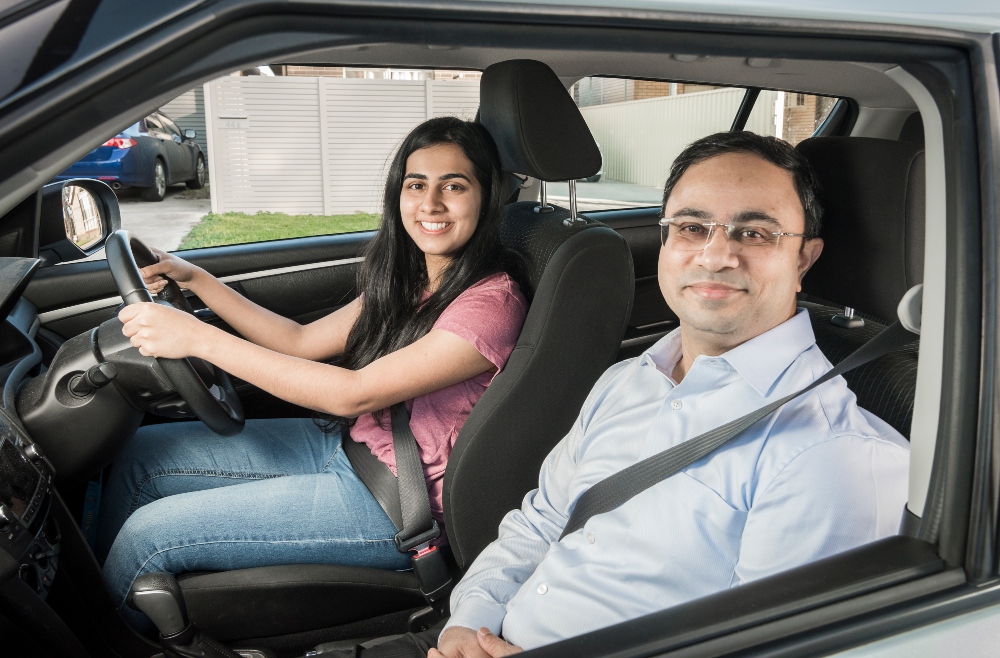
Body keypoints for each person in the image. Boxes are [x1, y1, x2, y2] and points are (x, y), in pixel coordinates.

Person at [324, 131, 911, 658]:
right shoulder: (629, 379)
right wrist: (465, 624)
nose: (716, 253)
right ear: (664, 242)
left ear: (804, 257)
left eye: (754, 232)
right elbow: (539, 522)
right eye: (692, 226)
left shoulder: (830, 454)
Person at [95, 116, 528, 633]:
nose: (430, 204)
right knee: (141, 455)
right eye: (416, 185)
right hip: (350, 449)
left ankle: (101, 641)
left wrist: (198, 339)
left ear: (487, 197)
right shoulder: (416, 281)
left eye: (453, 187)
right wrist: (196, 278)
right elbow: (297, 342)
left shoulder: (490, 304)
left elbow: (352, 393)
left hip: (397, 502)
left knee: (149, 536)